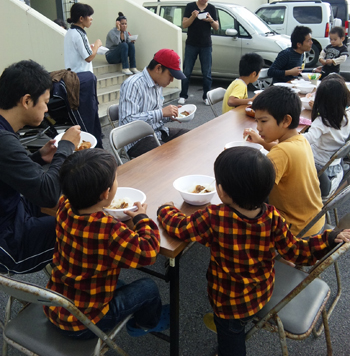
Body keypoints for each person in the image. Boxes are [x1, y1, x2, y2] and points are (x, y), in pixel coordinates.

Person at [157, 147, 350, 356]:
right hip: (261, 291)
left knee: (231, 340)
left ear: (221, 192)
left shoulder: (215, 216)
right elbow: (297, 252)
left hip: (228, 302)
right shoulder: (273, 217)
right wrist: (328, 238)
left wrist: (165, 209)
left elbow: (180, 228)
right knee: (236, 328)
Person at [44, 149, 169, 339]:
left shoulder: (64, 205)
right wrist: (142, 219)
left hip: (56, 304)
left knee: (119, 283)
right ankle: (145, 324)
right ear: (106, 193)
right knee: (148, 288)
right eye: (115, 179)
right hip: (86, 323)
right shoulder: (108, 230)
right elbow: (149, 252)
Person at [0, 60, 81, 274]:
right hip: (8, 243)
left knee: (75, 207)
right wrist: (66, 146)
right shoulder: (4, 140)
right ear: (27, 101)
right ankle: (83, 293)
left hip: (13, 208)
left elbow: (8, 169)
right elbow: (48, 194)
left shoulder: (5, 131)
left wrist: (39, 157)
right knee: (82, 227)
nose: (47, 108)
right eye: (45, 102)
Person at [243, 85, 324, 237]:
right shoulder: (299, 139)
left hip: (296, 230)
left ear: (286, 120)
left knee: (243, 209)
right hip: (314, 221)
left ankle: (276, 253)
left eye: (263, 121)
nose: (258, 127)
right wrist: (261, 141)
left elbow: (254, 188)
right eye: (257, 121)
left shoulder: (281, 153)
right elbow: (282, 149)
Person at [119, 48, 189, 158]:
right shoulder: (133, 84)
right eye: (170, 75)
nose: (171, 80)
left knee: (190, 137)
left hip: (157, 132)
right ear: (158, 68)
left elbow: (155, 115)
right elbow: (127, 121)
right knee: (170, 155)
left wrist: (170, 115)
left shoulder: (158, 84)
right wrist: (161, 113)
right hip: (136, 140)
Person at [303, 74, 350, 191]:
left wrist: (289, 136)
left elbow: (308, 139)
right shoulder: (347, 115)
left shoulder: (322, 122)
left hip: (319, 172)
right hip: (335, 168)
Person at [178, 0, 219, 106]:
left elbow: (216, 27)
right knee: (187, 71)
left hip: (206, 44)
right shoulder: (190, 6)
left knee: (206, 72)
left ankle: (206, 96)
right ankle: (183, 95)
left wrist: (210, 20)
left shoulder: (211, 8)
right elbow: (184, 24)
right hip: (192, 43)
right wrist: (193, 16)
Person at [64, 3, 102, 73]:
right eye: (89, 15)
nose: (91, 18)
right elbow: (89, 57)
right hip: (82, 75)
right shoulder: (80, 34)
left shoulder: (70, 32)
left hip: (72, 75)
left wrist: (90, 48)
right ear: (81, 18)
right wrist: (97, 44)